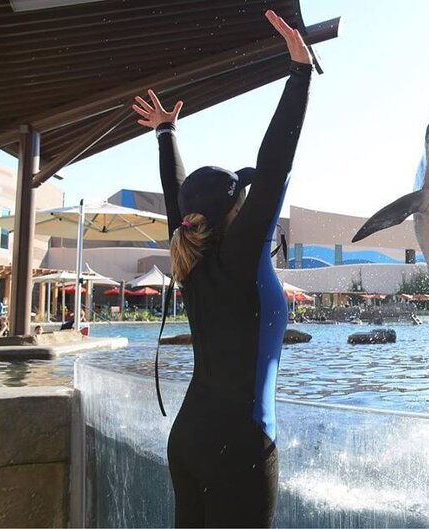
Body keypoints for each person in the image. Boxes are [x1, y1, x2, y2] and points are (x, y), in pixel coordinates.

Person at [131, 10, 312, 528]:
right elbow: (275, 163)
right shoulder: (240, 256)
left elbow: (177, 198)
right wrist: (299, 73)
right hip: (240, 449)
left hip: (189, 441)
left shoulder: (189, 257)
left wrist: (166, 134)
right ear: (235, 212)